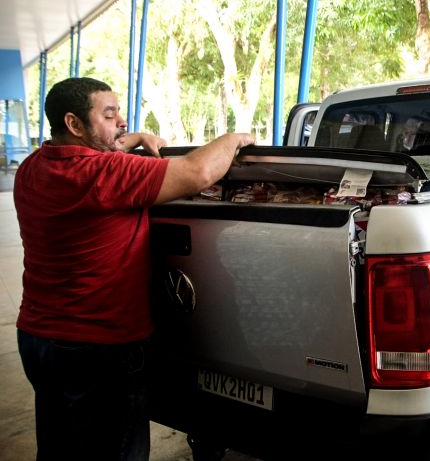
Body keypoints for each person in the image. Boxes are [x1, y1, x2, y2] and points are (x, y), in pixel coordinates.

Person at [14, 77, 255, 460]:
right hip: (98, 347)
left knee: (60, 446)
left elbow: (108, 144)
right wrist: (234, 139)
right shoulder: (105, 174)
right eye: (110, 115)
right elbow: (198, 172)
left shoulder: (32, 167)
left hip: (39, 339)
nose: (121, 122)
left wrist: (137, 135)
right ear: (75, 124)